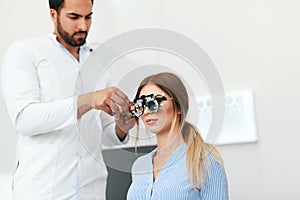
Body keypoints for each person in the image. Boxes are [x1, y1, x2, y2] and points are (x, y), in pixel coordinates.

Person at [0, 0, 134, 199]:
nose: (83, 26)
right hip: (42, 192)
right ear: (53, 14)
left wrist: (122, 126)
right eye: (74, 17)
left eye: (88, 17)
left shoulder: (97, 60)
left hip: (92, 191)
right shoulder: (25, 52)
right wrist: (88, 101)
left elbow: (106, 134)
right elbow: (24, 119)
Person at [127, 72, 228, 199]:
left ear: (178, 106)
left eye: (155, 102)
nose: (147, 111)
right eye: (141, 105)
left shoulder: (204, 159)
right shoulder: (139, 166)